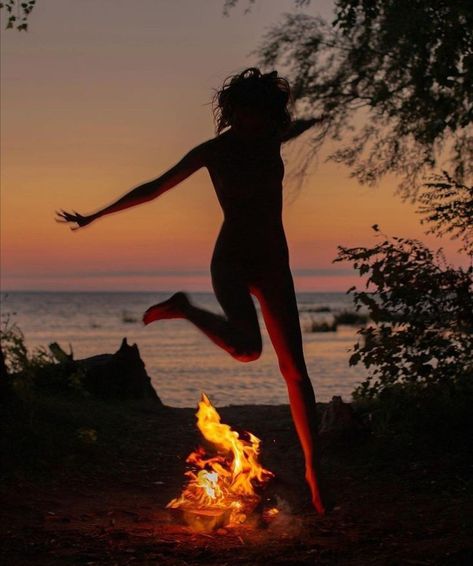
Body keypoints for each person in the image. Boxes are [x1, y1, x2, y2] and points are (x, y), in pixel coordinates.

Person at [56, 67, 325, 514]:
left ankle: (317, 474)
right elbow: (155, 188)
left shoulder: (272, 138)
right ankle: (184, 308)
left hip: (276, 262)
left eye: (256, 114)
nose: (247, 122)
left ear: (267, 114)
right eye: (239, 113)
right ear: (231, 112)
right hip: (233, 260)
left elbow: (292, 127)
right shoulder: (214, 151)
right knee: (247, 350)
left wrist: (315, 119)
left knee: (295, 371)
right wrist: (96, 215)